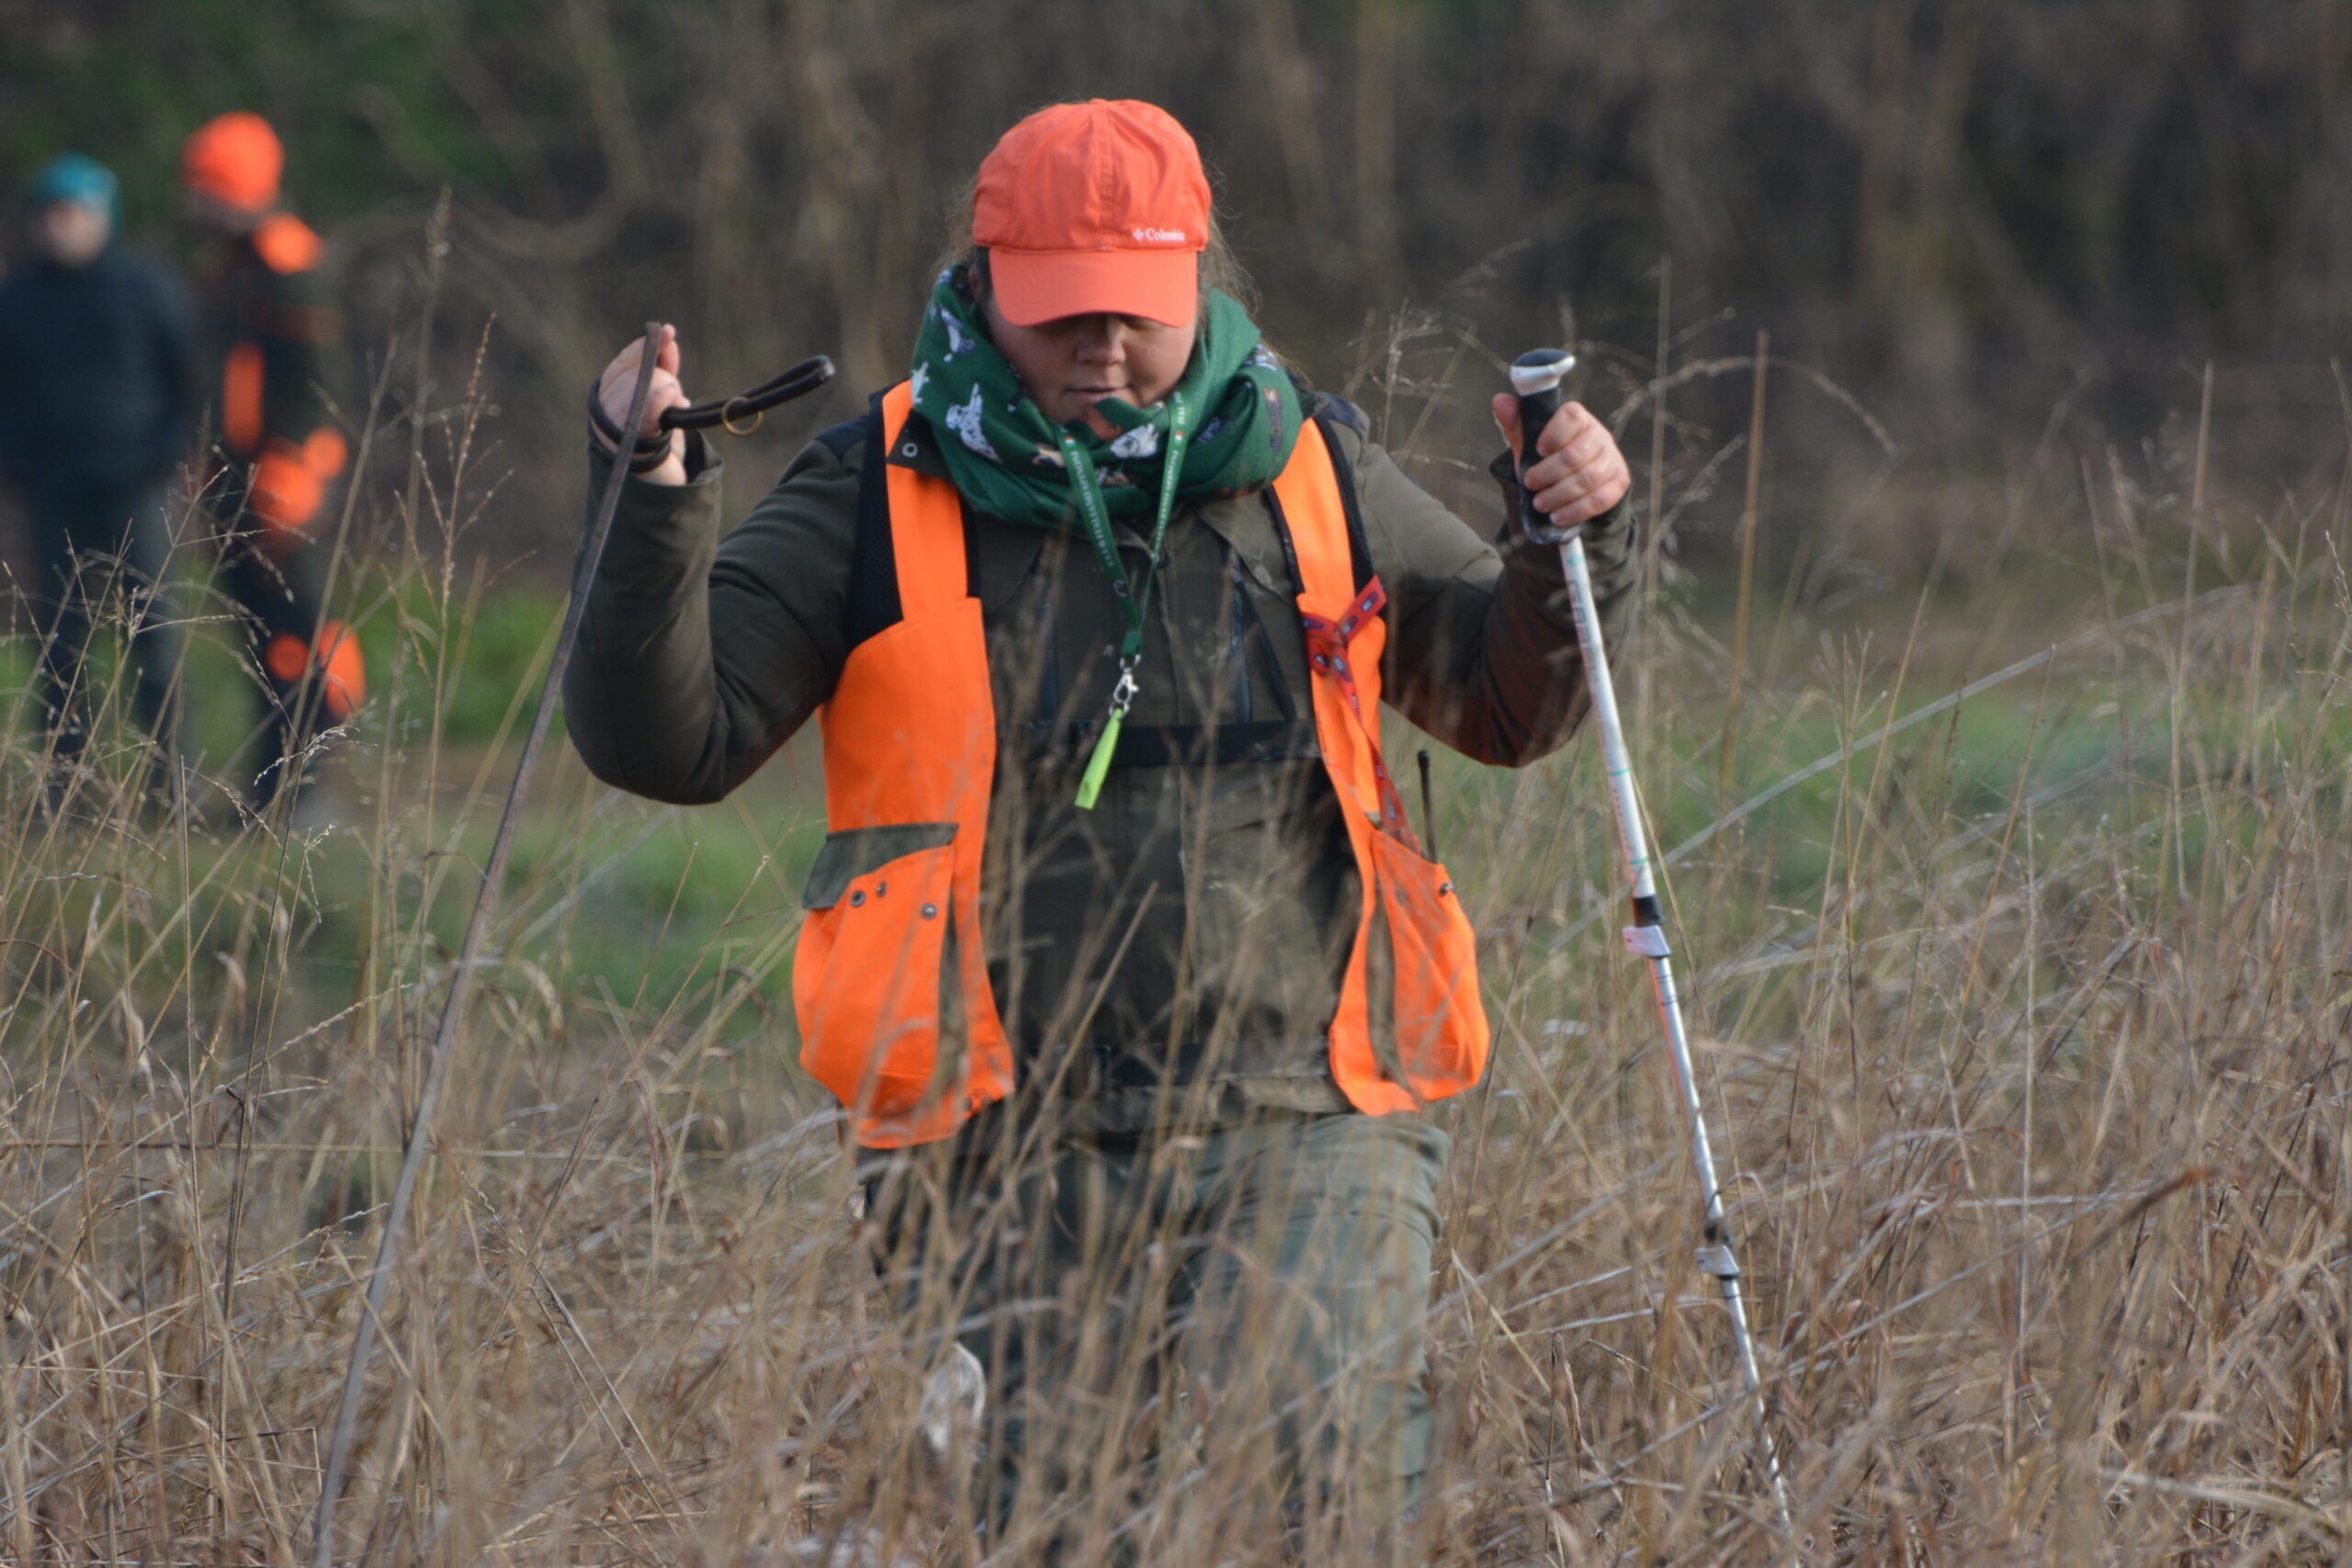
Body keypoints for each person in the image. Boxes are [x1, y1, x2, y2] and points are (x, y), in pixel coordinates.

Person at [567, 100, 1635, 1560]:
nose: (1105, 348)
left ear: (1200, 279)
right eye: (1062, 312)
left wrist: (1571, 539)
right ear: (984, 286)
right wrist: (644, 492)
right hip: (997, 1142)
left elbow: (1511, 707)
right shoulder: (872, 481)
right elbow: (664, 741)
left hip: (1308, 1105)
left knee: (1337, 1498)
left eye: (1137, 309)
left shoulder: (1310, 460)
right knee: (1060, 1528)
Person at [179, 111, 363, 803]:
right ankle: (271, 787)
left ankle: (313, 785)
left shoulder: (289, 263)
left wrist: (297, 466)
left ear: (235, 188)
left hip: (287, 479)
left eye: (205, 189)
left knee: (303, 627)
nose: (193, 205)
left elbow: (318, 379)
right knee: (259, 632)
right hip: (234, 477)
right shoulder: (228, 268)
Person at [0, 153, 196, 792]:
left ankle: (171, 785)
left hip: (136, 487)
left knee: (153, 635)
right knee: (60, 645)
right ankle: (67, 789)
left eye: (74, 214)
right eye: (49, 215)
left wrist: (169, 452)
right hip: (52, 493)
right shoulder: (19, 299)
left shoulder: (145, 289)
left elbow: (187, 380)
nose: (61, 228)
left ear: (103, 217)